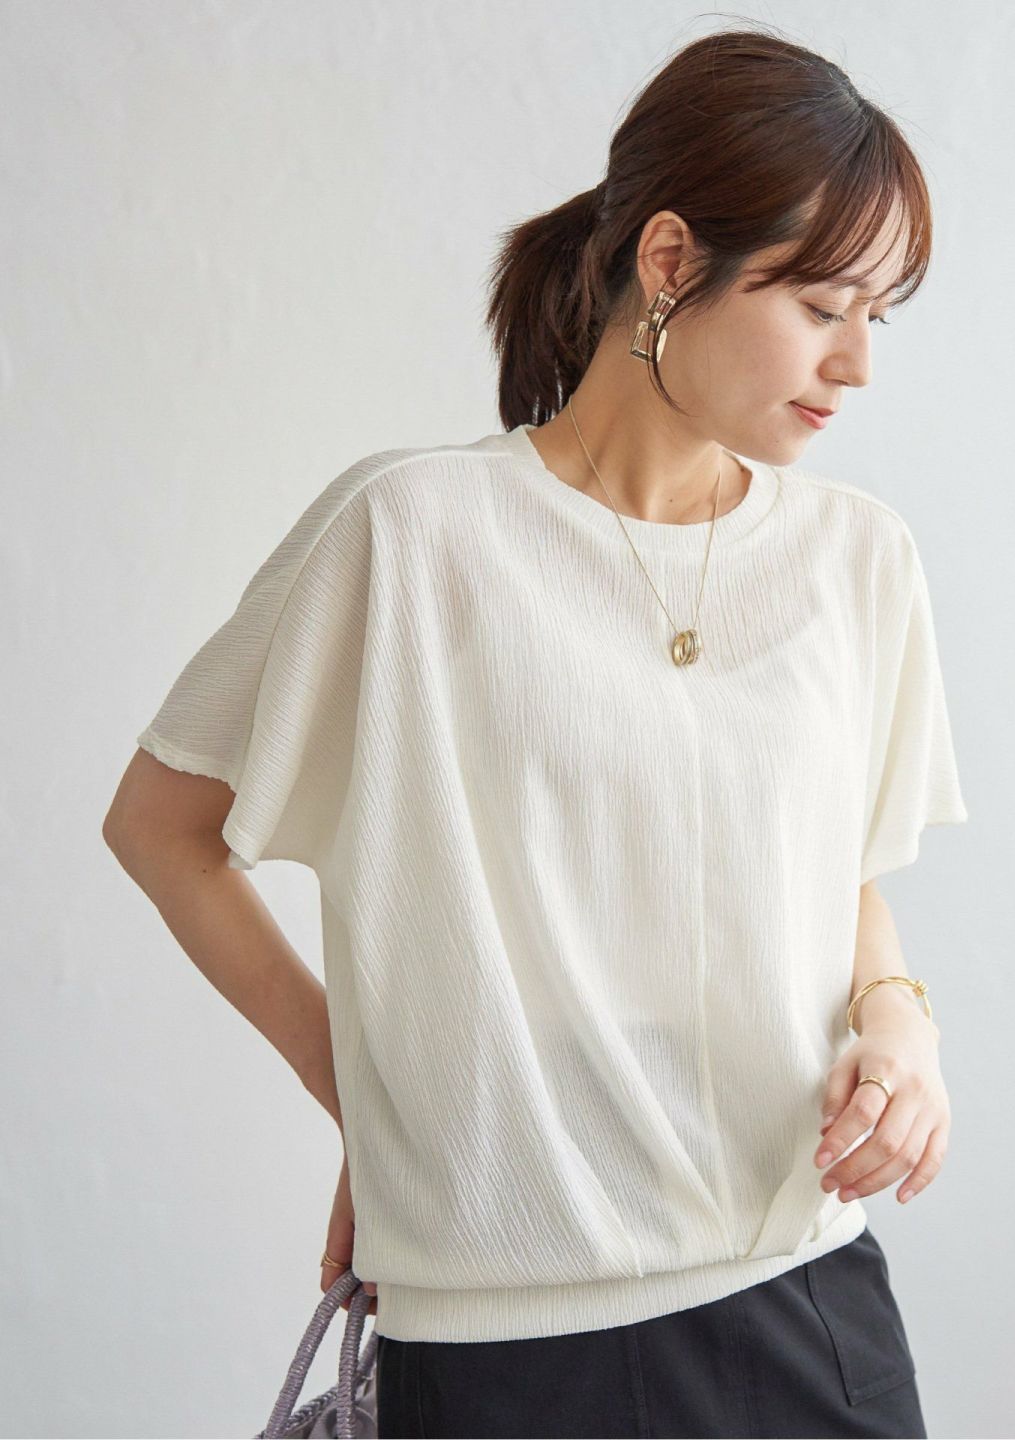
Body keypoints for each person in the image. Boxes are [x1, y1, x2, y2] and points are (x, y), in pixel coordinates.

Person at [103, 24, 969, 1440]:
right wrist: (361, 1094)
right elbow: (161, 826)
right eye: (824, 304)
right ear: (672, 260)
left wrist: (901, 1025)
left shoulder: (858, 560)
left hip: (809, 1297)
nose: (859, 361)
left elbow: (837, 878)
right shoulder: (412, 534)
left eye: (880, 313)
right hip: (510, 1338)